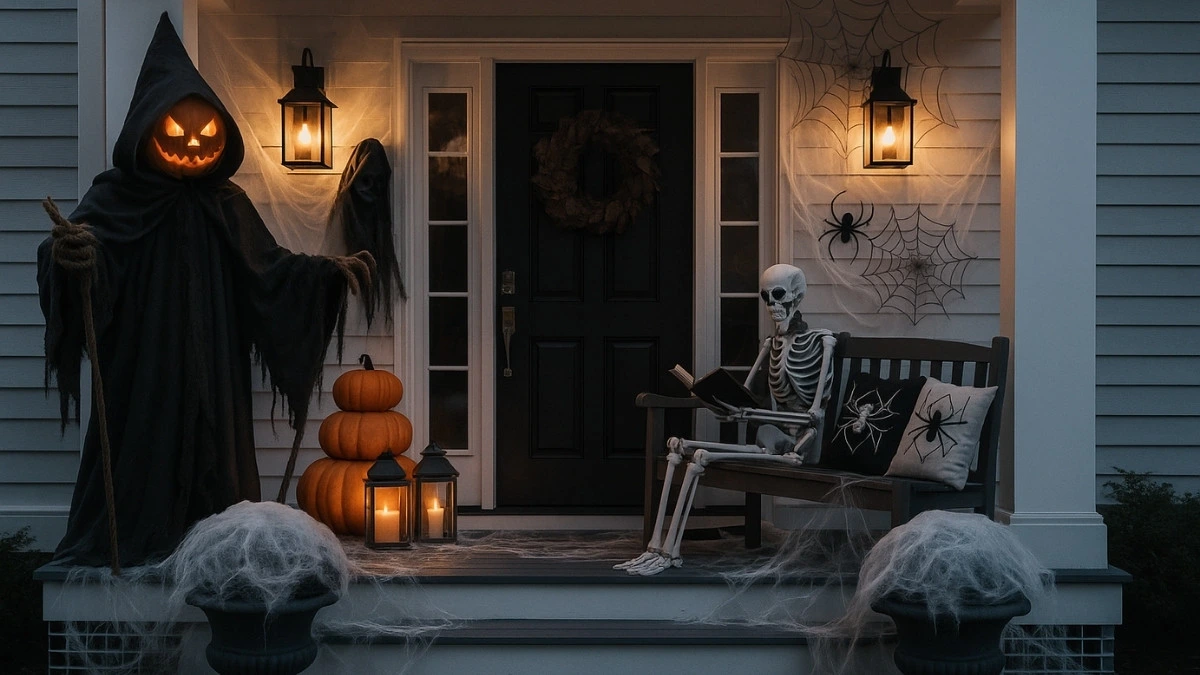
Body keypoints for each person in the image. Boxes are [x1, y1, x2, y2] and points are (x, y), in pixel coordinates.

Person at [39, 13, 371, 567]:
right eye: (175, 132)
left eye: (205, 133)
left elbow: (270, 272)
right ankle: (138, 542)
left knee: (214, 463)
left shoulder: (228, 205)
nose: (192, 144)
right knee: (142, 455)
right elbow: (77, 247)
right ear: (146, 131)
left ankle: (216, 550)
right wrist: (71, 258)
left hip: (216, 376)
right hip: (140, 376)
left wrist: (322, 277)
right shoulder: (115, 198)